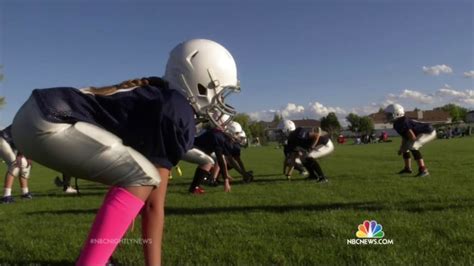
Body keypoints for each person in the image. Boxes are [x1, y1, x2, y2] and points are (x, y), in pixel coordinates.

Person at [11, 39, 240, 265]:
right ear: (200, 82)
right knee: (142, 176)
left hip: (37, 115)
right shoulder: (177, 111)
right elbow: (153, 206)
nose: (220, 101)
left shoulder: (161, 96)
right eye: (219, 91)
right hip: (51, 120)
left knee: (135, 176)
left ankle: (99, 258)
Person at [384, 104, 436, 177]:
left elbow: (412, 137)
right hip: (420, 133)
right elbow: (405, 137)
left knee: (413, 146)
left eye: (389, 115)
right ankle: (407, 169)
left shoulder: (402, 122)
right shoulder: (397, 124)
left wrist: (409, 145)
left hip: (428, 132)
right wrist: (402, 148)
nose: (387, 116)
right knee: (406, 148)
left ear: (397, 114)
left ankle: (423, 170)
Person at [183, 126, 233, 193]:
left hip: (186, 144)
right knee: (208, 161)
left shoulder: (217, 133)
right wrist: (226, 181)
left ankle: (197, 185)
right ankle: (194, 188)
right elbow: (220, 160)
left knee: (208, 160)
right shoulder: (219, 138)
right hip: (186, 147)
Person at [0, 125, 33, 203]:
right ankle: (6, 196)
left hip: (12, 143)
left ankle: (25, 193)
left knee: (25, 165)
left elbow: (28, 142)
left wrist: (28, 156)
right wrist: (19, 155)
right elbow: (20, 137)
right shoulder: (29, 122)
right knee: (14, 165)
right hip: (3, 139)